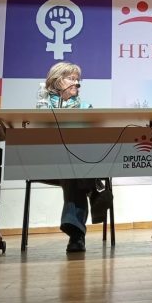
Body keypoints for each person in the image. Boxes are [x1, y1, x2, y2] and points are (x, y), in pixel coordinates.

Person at [40, 61, 112, 253]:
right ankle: (94, 190)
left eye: (77, 79)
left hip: (77, 165)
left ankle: (75, 233)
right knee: (74, 170)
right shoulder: (42, 106)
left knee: (74, 169)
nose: (75, 82)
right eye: (70, 78)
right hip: (48, 164)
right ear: (56, 81)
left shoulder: (86, 107)